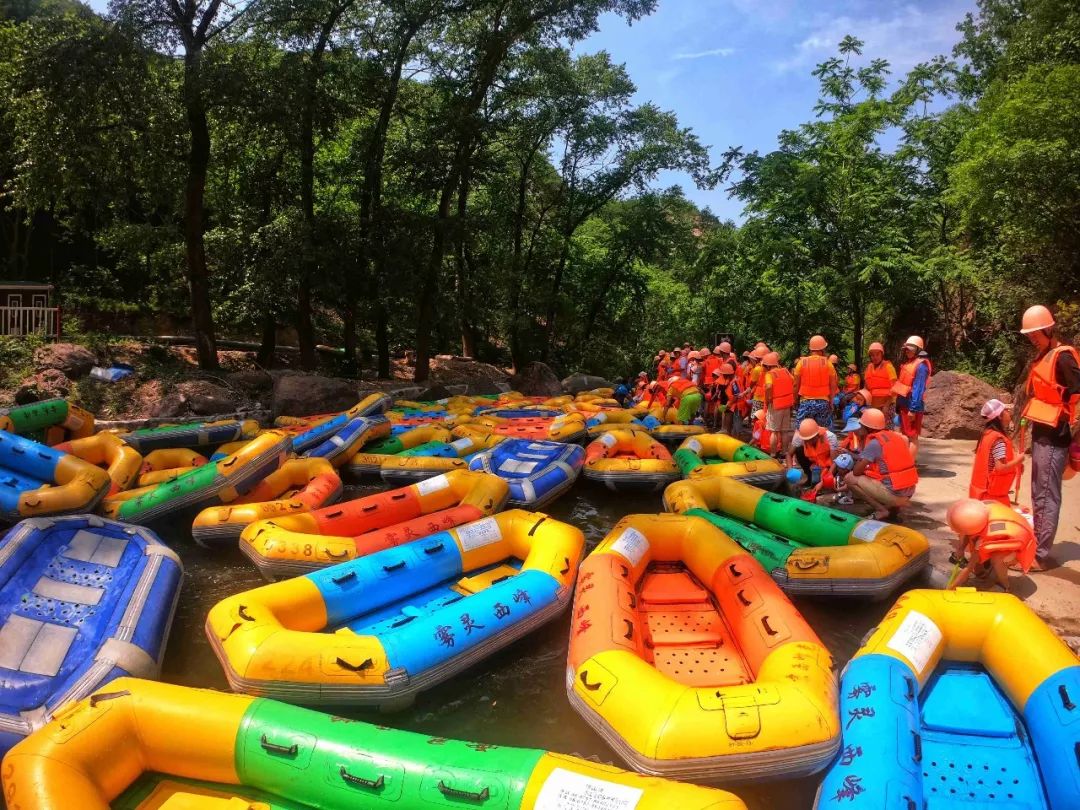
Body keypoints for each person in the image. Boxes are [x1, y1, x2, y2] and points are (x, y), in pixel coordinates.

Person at [1018, 304, 1080, 570]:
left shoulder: (1063, 357)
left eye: (1035, 332)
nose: (1032, 337)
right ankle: (1035, 545)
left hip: (1057, 435)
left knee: (1046, 494)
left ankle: (1041, 555)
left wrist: (1076, 434)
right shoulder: (1043, 355)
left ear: (1048, 328)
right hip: (1042, 431)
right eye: (1029, 334)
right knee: (1037, 492)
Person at [946, 498, 1036, 593]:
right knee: (978, 563)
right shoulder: (979, 511)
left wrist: (952, 587)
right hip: (1006, 534)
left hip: (1021, 544)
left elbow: (969, 567)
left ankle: (1005, 585)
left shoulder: (982, 538)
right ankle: (983, 574)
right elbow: (966, 532)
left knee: (997, 559)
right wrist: (960, 549)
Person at [845, 408, 919, 521]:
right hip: (909, 490)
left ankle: (881, 510)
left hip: (896, 494)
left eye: (861, 424)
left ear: (868, 428)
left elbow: (856, 471)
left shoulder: (874, 443)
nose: (859, 427)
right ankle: (893, 510)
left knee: (850, 478)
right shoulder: (897, 437)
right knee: (886, 475)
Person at [970, 398, 1023, 505]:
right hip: (991, 497)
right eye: (1006, 410)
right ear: (999, 416)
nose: (1009, 413)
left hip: (980, 492)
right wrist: (1018, 460)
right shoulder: (998, 440)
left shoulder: (987, 434)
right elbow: (1000, 468)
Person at [893, 335, 931, 460]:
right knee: (904, 434)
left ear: (918, 349)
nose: (907, 350)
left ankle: (909, 464)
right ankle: (904, 461)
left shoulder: (921, 366)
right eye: (906, 349)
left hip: (911, 406)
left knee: (912, 436)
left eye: (910, 348)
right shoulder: (910, 363)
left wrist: (913, 409)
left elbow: (918, 390)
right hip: (904, 404)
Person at [793, 335, 838, 428]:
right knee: (822, 431)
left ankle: (800, 443)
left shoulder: (801, 363)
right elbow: (833, 385)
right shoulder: (828, 364)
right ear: (823, 348)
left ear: (810, 349)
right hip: (823, 402)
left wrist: (795, 399)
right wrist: (831, 401)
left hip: (805, 402)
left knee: (802, 431)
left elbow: (796, 384)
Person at [787, 417, 839, 485]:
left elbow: (834, 462)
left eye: (811, 439)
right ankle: (810, 477)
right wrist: (790, 470)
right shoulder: (799, 437)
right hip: (813, 465)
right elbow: (789, 454)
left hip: (827, 465)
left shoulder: (830, 437)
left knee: (828, 481)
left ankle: (825, 479)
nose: (809, 442)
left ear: (817, 434)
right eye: (807, 440)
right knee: (798, 450)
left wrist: (825, 479)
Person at [762, 351, 794, 456]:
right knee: (784, 431)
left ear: (767, 366)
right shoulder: (785, 371)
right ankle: (784, 452)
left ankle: (773, 454)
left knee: (774, 431)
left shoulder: (769, 374)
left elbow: (769, 386)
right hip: (787, 404)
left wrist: (768, 398)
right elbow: (793, 381)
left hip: (776, 404)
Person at [863, 342, 897, 421]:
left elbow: (894, 388)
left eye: (877, 354)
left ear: (882, 354)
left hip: (887, 403)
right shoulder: (869, 367)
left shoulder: (888, 366)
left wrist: (886, 406)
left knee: (886, 429)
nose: (875, 357)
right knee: (874, 429)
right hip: (873, 404)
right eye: (872, 355)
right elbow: (866, 387)